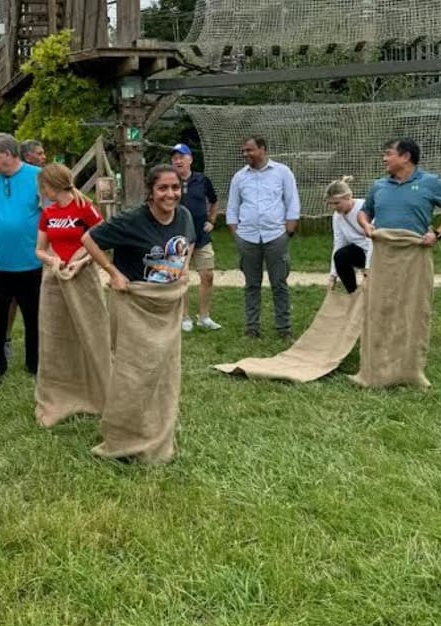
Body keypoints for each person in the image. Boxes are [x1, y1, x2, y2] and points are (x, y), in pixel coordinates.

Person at [80, 165, 194, 464]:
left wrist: (183, 269)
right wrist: (113, 272)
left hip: (165, 305)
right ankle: (126, 434)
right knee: (133, 370)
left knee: (164, 368)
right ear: (151, 192)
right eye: (163, 189)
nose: (170, 194)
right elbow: (89, 240)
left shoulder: (183, 216)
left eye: (175, 188)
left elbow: (188, 243)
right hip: (134, 304)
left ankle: (158, 424)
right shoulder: (132, 220)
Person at [354, 137, 441, 388]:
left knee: (412, 310)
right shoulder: (379, 185)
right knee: (379, 308)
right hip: (383, 257)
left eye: (388, 153)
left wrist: (437, 234)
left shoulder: (430, 183)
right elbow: (364, 212)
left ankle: (409, 370)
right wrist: (365, 225)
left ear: (405, 157)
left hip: (415, 256)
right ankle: (375, 370)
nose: (384, 158)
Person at [33, 163, 109, 427]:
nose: (42, 191)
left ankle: (98, 390)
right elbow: (40, 250)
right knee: (56, 335)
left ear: (51, 185)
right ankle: (61, 393)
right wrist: (52, 261)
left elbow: (101, 242)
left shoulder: (85, 209)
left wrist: (82, 261)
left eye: (43, 187)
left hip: (83, 278)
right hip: (55, 280)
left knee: (91, 330)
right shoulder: (49, 213)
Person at [0, 132, 43, 387]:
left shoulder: (37, 176)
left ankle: (36, 365)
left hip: (32, 262)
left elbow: (52, 212)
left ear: (7, 154)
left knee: (35, 317)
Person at [226, 135, 300, 339]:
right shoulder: (239, 177)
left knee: (279, 284)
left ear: (262, 149)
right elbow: (232, 207)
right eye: (243, 151)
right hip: (247, 237)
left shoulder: (282, 172)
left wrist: (288, 231)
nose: (245, 154)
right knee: (251, 285)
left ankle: (284, 329)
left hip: (276, 235)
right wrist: (236, 233)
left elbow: (292, 202)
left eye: (249, 150)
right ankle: (251, 328)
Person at [170, 143, 221, 332]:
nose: (178, 160)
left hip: (201, 236)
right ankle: (184, 317)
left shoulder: (202, 180)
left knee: (207, 275)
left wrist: (212, 220)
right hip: (179, 238)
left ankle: (204, 316)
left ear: (190, 159)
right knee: (181, 277)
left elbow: (214, 201)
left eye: (181, 156)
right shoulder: (170, 182)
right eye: (174, 158)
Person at [325, 176, 372, 293]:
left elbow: (372, 241)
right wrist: (333, 276)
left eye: (337, 203)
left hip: (378, 251)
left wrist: (368, 269)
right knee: (340, 256)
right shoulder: (337, 216)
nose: (334, 207)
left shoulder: (364, 208)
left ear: (348, 197)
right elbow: (339, 243)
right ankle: (353, 294)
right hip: (361, 251)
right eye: (330, 204)